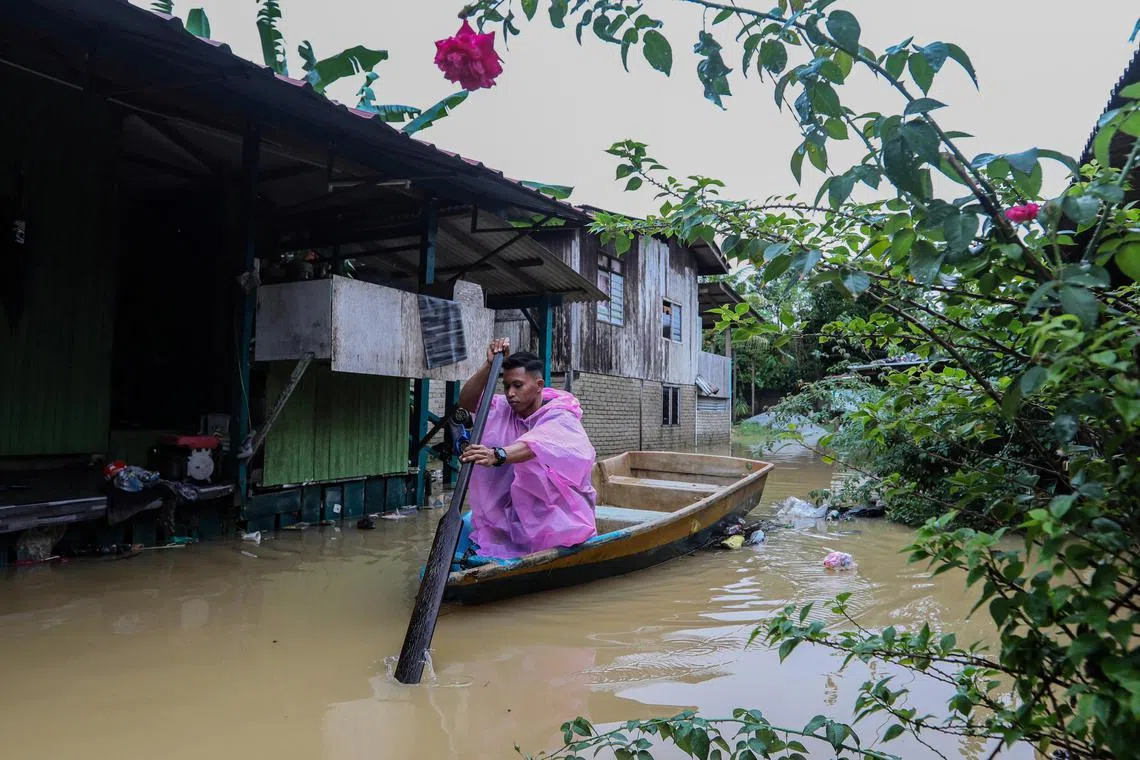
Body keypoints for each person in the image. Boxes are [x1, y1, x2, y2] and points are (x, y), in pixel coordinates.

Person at [456, 338, 597, 559]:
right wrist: (489, 365)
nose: (510, 393)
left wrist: (498, 454)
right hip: (510, 506)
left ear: (539, 385)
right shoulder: (504, 407)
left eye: (518, 385)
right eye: (506, 386)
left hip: (553, 513)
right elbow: (467, 402)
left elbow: (537, 444)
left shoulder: (560, 414)